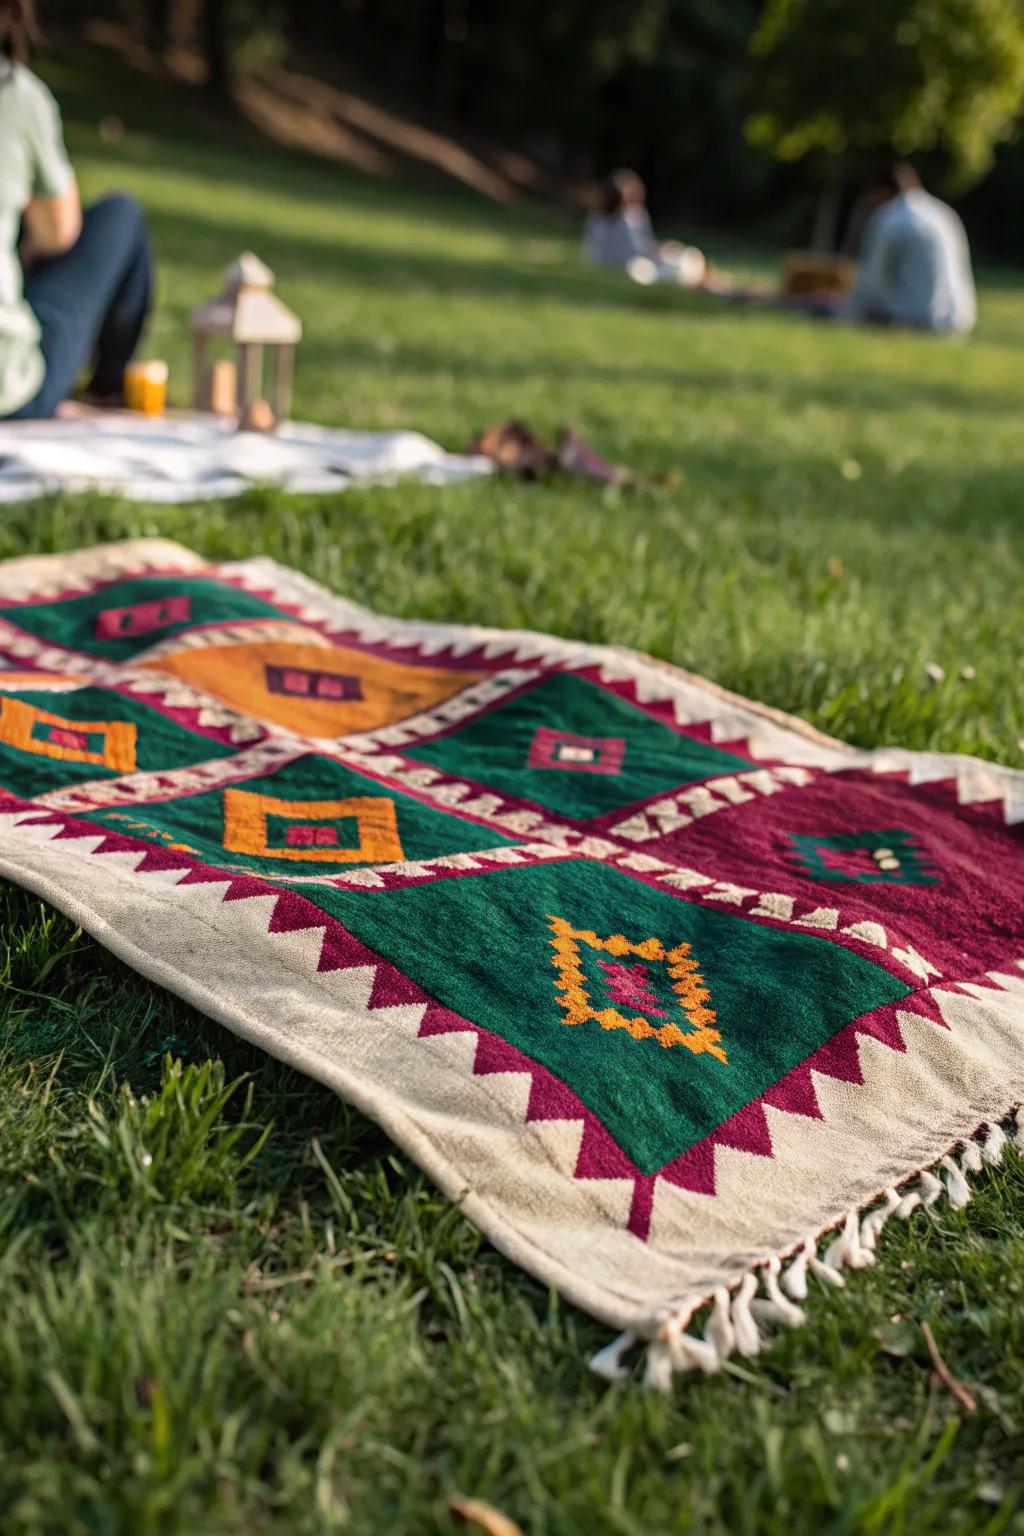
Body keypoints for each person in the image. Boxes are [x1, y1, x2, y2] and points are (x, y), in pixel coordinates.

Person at [0, 0, 153, 419]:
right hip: (10, 386)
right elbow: (60, 232)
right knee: (121, 216)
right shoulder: (16, 96)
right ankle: (107, 389)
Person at [841, 162, 976, 335]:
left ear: (882, 191)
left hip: (915, 319)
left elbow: (873, 282)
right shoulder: (942, 212)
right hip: (960, 318)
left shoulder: (890, 217)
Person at [582, 168, 705, 288]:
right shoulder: (632, 218)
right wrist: (662, 249)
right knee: (686, 259)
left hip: (609, 266)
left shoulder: (595, 218)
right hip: (635, 268)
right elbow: (640, 251)